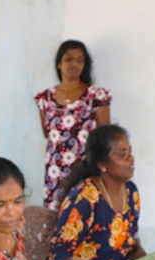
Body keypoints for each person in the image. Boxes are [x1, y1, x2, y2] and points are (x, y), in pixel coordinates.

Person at [47, 125, 145, 260]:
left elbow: (131, 242)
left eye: (130, 152)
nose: (131, 158)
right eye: (122, 154)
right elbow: (58, 255)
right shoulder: (85, 197)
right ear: (102, 164)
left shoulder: (131, 192)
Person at [35, 40, 112, 209]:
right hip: (55, 172)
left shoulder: (96, 96)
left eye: (79, 60)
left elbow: (105, 137)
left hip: (85, 168)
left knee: (85, 212)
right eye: (68, 59)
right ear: (59, 64)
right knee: (56, 215)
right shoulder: (45, 98)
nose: (74, 64)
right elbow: (48, 133)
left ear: (85, 65)